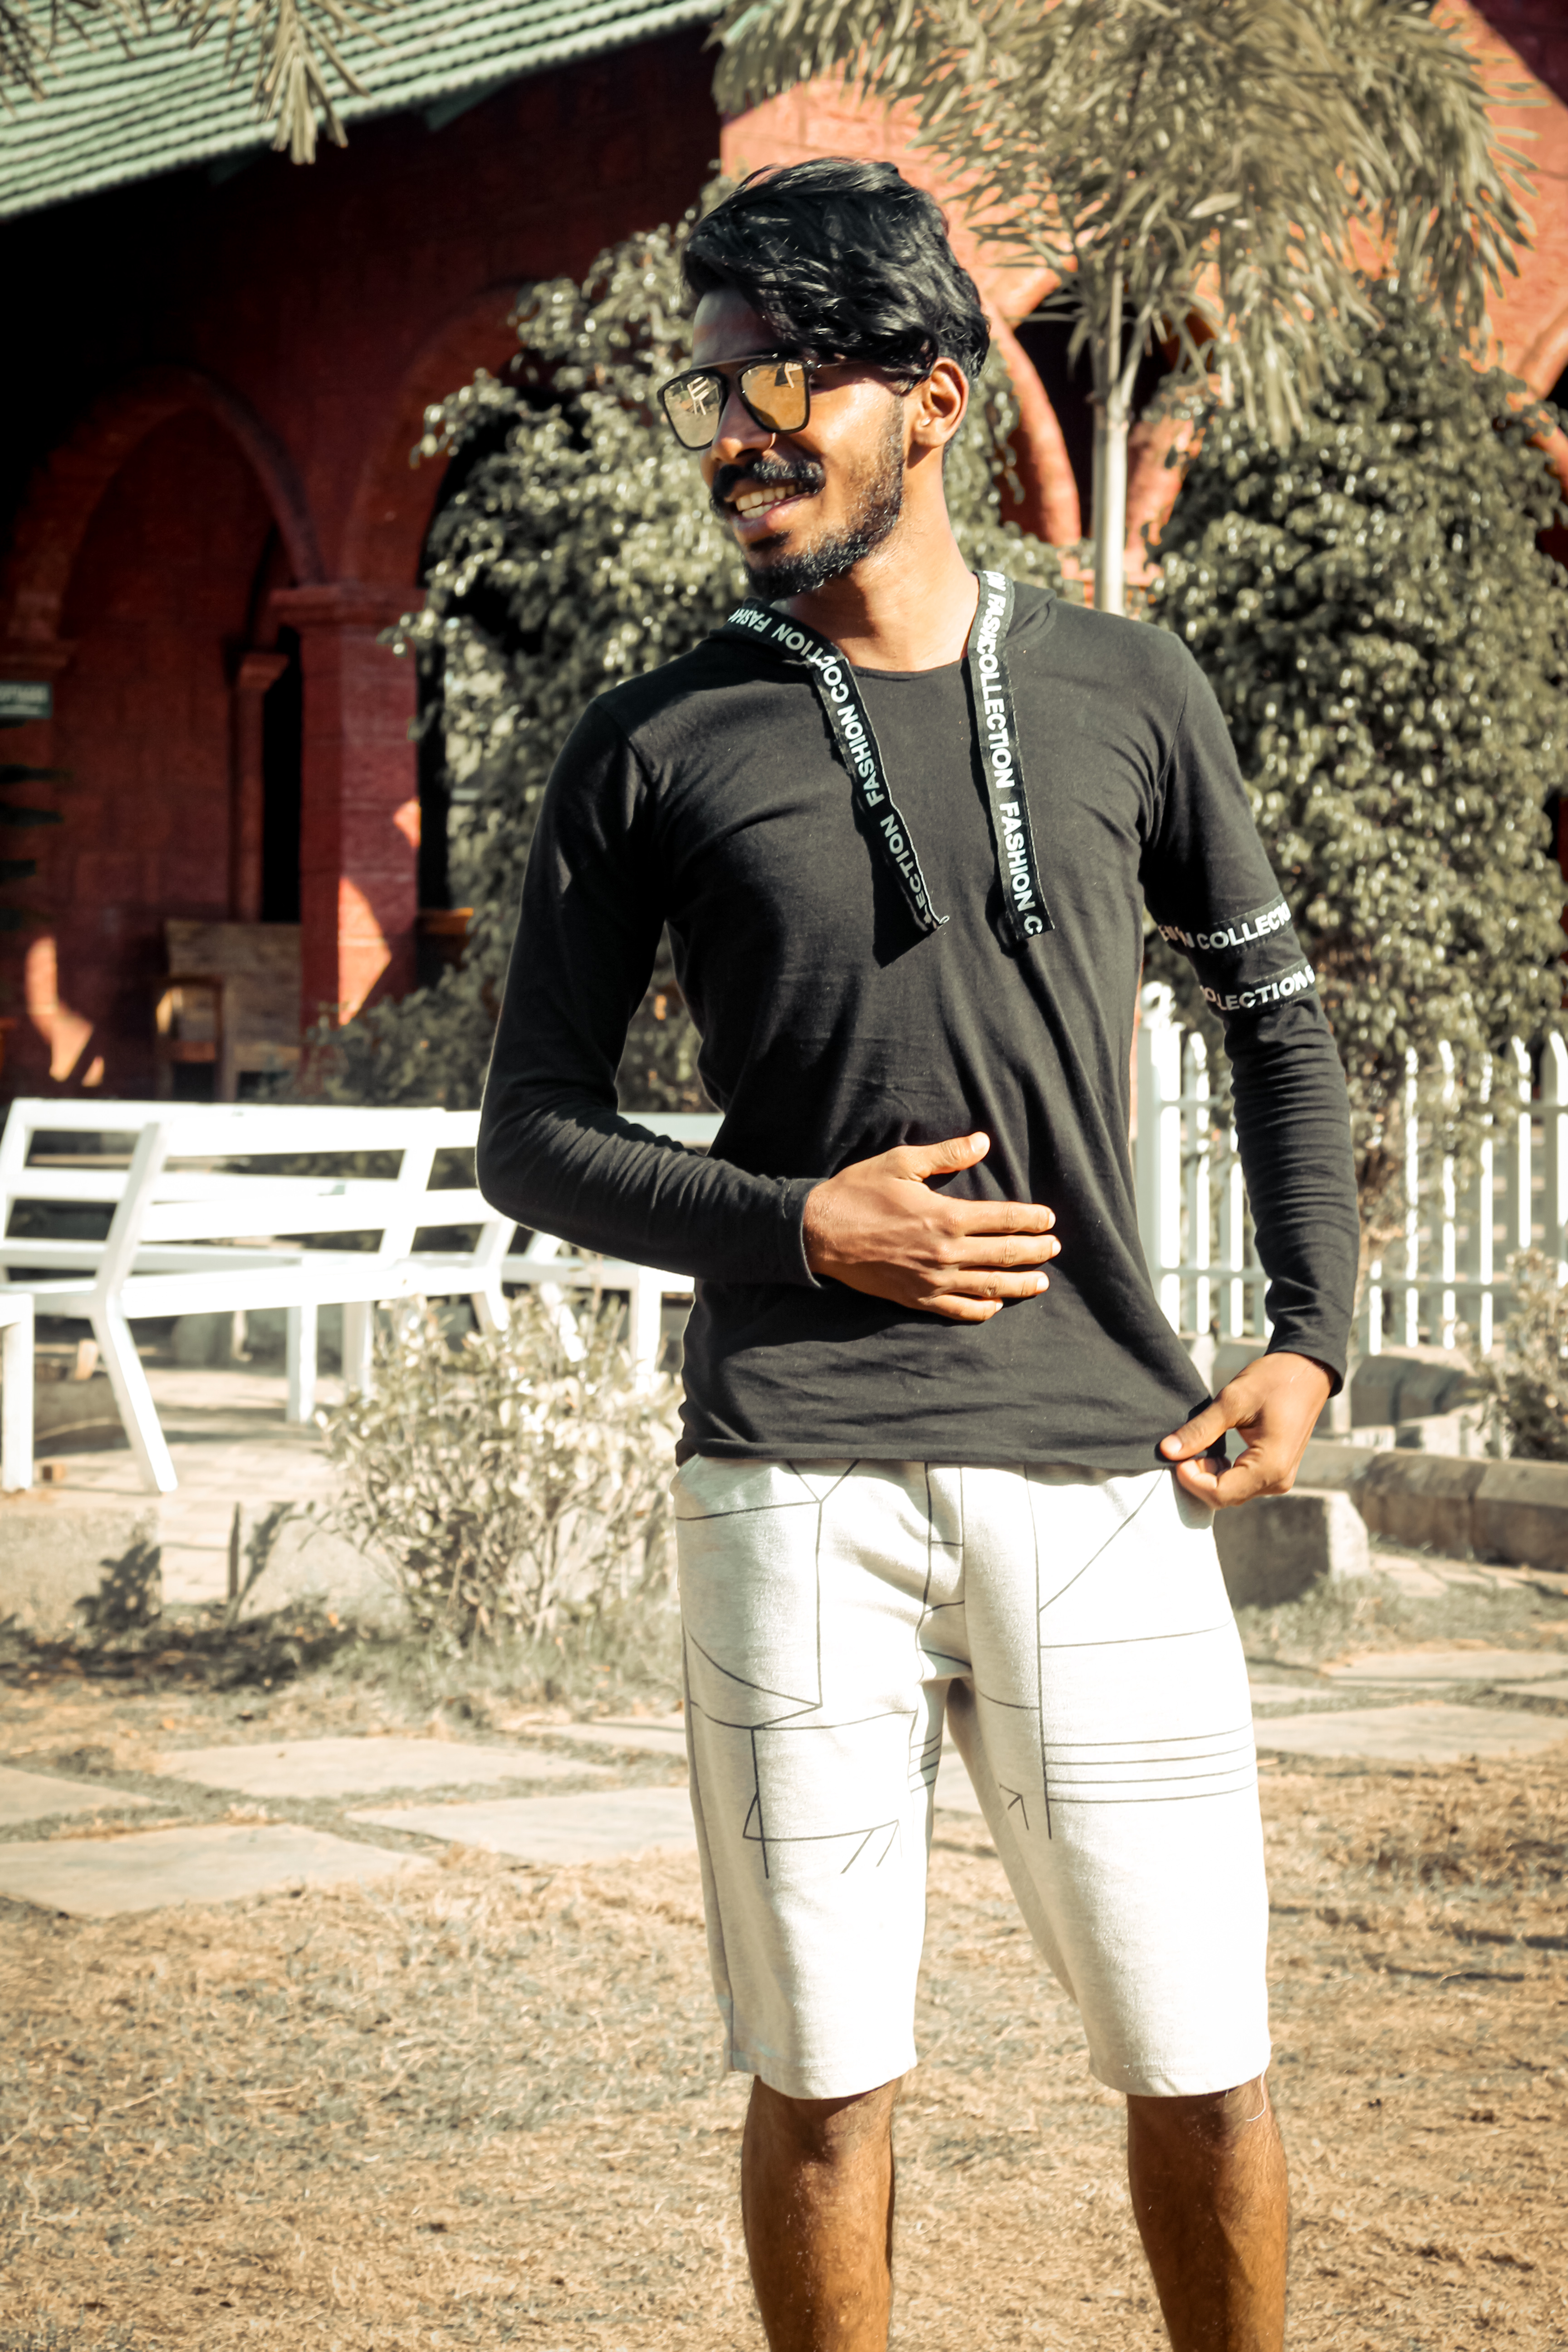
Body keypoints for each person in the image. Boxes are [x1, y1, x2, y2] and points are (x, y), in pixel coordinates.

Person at [477, 157, 1359, 2352]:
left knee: (1206, 2056)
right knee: (823, 2079)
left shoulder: (1132, 690)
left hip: (1108, 1469)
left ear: (936, 399)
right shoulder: (650, 744)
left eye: (782, 381)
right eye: (712, 390)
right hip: (792, 1484)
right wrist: (803, 1223)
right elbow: (534, 1137)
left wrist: (1313, 1335)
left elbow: (1278, 1021)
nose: (734, 434)